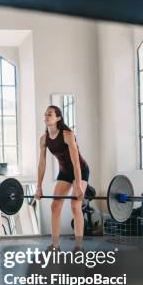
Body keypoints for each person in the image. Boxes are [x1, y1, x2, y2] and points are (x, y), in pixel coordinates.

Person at [36, 105, 89, 251]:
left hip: (80, 170)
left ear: (58, 118)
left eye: (50, 114)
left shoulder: (67, 134)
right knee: (55, 206)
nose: (46, 116)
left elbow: (76, 161)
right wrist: (39, 187)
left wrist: (78, 185)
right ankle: (55, 245)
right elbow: (42, 164)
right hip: (65, 172)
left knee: (74, 205)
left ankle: (79, 247)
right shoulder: (44, 139)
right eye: (45, 114)